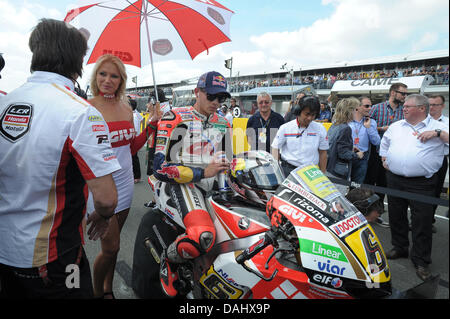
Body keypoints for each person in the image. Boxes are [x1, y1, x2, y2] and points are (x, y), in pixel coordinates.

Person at [0, 19, 120, 299]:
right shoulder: (81, 112)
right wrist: (103, 216)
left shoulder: (5, 102)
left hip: (5, 250)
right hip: (56, 257)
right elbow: (106, 198)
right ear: (77, 61)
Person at [87, 54, 162, 299]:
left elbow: (130, 148)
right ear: (96, 76)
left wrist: (151, 126)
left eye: (114, 76)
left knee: (113, 248)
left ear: (121, 81)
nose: (107, 80)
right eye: (103, 74)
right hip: (101, 183)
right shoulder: (86, 107)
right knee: (111, 246)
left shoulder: (125, 108)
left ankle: (108, 288)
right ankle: (98, 292)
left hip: (125, 180)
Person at [153, 71, 232, 297]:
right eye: (212, 96)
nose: (216, 103)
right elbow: (159, 167)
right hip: (181, 184)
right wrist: (202, 172)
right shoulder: (174, 117)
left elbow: (228, 158)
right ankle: (169, 260)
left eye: (221, 98)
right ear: (197, 92)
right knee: (202, 237)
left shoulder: (223, 122)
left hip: (214, 186)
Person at [379, 94, 448, 281]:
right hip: (394, 179)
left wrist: (439, 134)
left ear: (422, 109)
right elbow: (384, 144)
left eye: (408, 106)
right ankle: (400, 248)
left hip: (422, 183)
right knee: (396, 215)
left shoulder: (439, 126)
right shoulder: (396, 126)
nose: (404, 108)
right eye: (404, 106)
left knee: (422, 221)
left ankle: (421, 260)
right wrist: (384, 157)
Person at [364, 82, 408, 226]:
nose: (404, 96)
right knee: (369, 183)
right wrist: (382, 128)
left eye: (405, 94)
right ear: (393, 93)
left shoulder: (404, 111)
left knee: (383, 185)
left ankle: (377, 214)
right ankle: (365, 211)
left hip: (392, 154)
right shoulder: (377, 108)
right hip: (375, 153)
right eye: (403, 93)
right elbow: (365, 125)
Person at [271, 96, 329, 176]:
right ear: (298, 111)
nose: (309, 118)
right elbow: (275, 148)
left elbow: (323, 153)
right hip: (288, 170)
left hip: (311, 172)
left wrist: (323, 174)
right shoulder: (285, 128)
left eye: (313, 115)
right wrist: (276, 170)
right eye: (307, 114)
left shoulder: (320, 129)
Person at [326, 98, 364, 193]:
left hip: (330, 168)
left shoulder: (334, 125)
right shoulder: (345, 128)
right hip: (338, 172)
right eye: (355, 109)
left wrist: (350, 147)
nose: (357, 112)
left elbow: (335, 145)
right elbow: (343, 153)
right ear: (349, 111)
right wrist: (357, 155)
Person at [428, 94, 449, 230]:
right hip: (424, 160)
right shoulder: (423, 121)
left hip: (441, 159)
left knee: (436, 191)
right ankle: (415, 219)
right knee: (421, 191)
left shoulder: (447, 122)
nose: (432, 108)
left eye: (435, 105)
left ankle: (430, 219)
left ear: (442, 106)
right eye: (429, 104)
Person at [348, 96, 380, 184]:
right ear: (357, 107)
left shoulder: (371, 122)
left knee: (357, 186)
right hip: (346, 155)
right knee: (343, 184)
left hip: (362, 158)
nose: (370, 108)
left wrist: (369, 128)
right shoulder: (346, 120)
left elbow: (376, 142)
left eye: (370, 106)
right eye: (367, 106)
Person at [130, 97, 144, 183]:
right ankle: (136, 176)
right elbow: (142, 120)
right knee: (133, 158)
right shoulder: (136, 113)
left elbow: (134, 130)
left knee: (134, 158)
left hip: (134, 138)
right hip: (135, 137)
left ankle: (137, 176)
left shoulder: (133, 115)